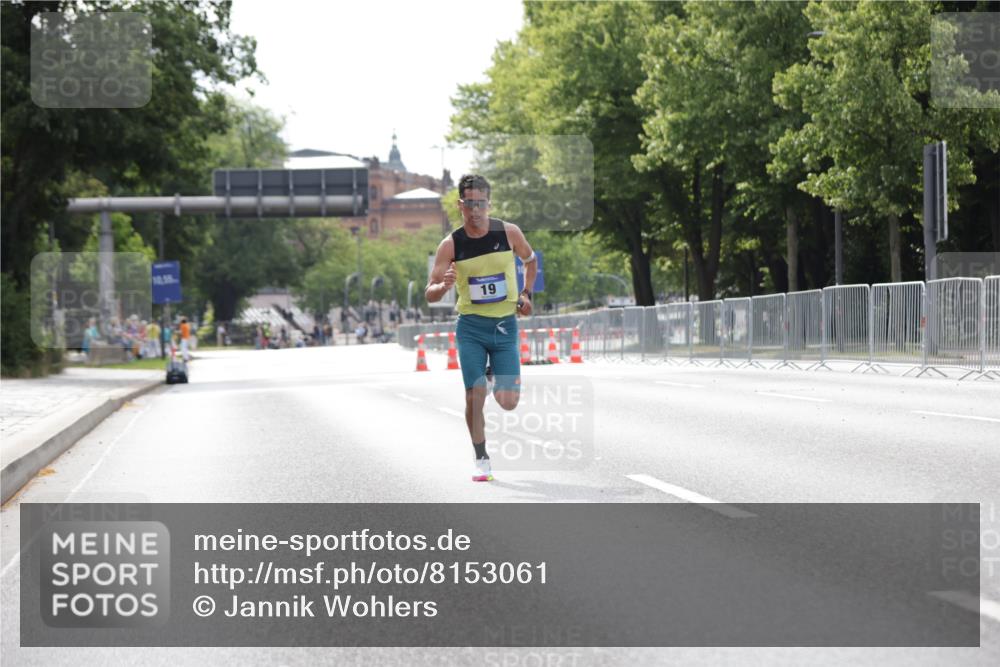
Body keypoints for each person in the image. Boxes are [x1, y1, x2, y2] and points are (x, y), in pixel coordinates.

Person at [426, 174, 536, 482]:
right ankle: (481, 458)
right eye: (469, 204)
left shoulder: (509, 232)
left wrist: (526, 293)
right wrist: (442, 287)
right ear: (460, 205)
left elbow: (531, 261)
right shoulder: (451, 245)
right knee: (473, 395)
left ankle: (491, 378)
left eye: (481, 204)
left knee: (508, 402)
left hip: (504, 327)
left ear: (488, 203)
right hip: (471, 328)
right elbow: (430, 291)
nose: (475, 210)